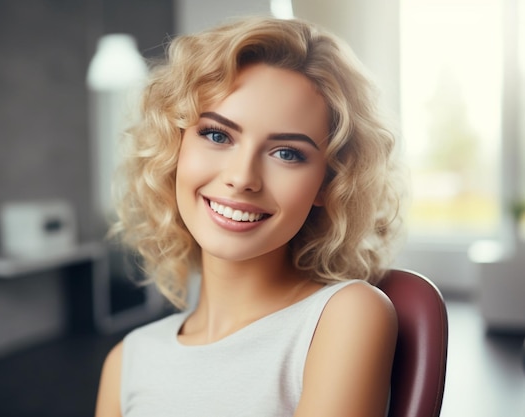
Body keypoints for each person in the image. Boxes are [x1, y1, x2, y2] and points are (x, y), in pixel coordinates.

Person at [95, 15, 406, 417]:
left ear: (328, 184)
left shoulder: (345, 317)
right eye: (217, 135)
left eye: (287, 153)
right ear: (175, 149)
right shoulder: (126, 361)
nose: (242, 178)